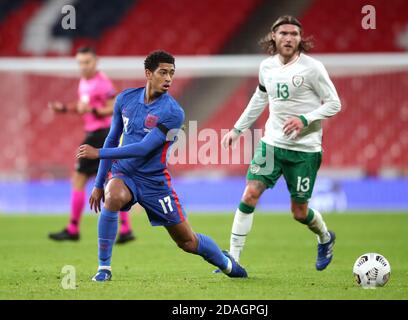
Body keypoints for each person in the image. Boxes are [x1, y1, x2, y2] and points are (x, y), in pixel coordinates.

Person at [77, 50, 247, 281]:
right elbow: (111, 137)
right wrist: (98, 183)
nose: (168, 78)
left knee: (187, 242)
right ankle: (103, 269)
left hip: (154, 182)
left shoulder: (173, 112)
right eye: (163, 72)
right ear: (149, 73)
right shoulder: (125, 100)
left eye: (172, 74)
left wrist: (99, 153)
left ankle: (227, 263)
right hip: (124, 173)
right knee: (112, 196)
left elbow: (144, 148)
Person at [220, 16, 341, 271]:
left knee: (299, 212)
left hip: (304, 149)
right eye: (284, 33)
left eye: (294, 34)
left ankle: (325, 237)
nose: (289, 38)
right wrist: (237, 129)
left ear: (300, 39)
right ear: (273, 36)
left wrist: (304, 119)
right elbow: (259, 98)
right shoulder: (266, 67)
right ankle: (232, 258)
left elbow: (334, 103)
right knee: (250, 193)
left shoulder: (313, 68)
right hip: (272, 144)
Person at [48, 46, 135, 244]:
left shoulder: (101, 82)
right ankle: (126, 228)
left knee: (79, 178)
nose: (83, 66)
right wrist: (64, 108)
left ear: (96, 62)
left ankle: (73, 228)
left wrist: (95, 111)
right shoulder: (84, 83)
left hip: (100, 134)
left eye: (87, 62)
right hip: (96, 133)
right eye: (80, 62)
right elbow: (82, 106)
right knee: (110, 180)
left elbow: (114, 106)